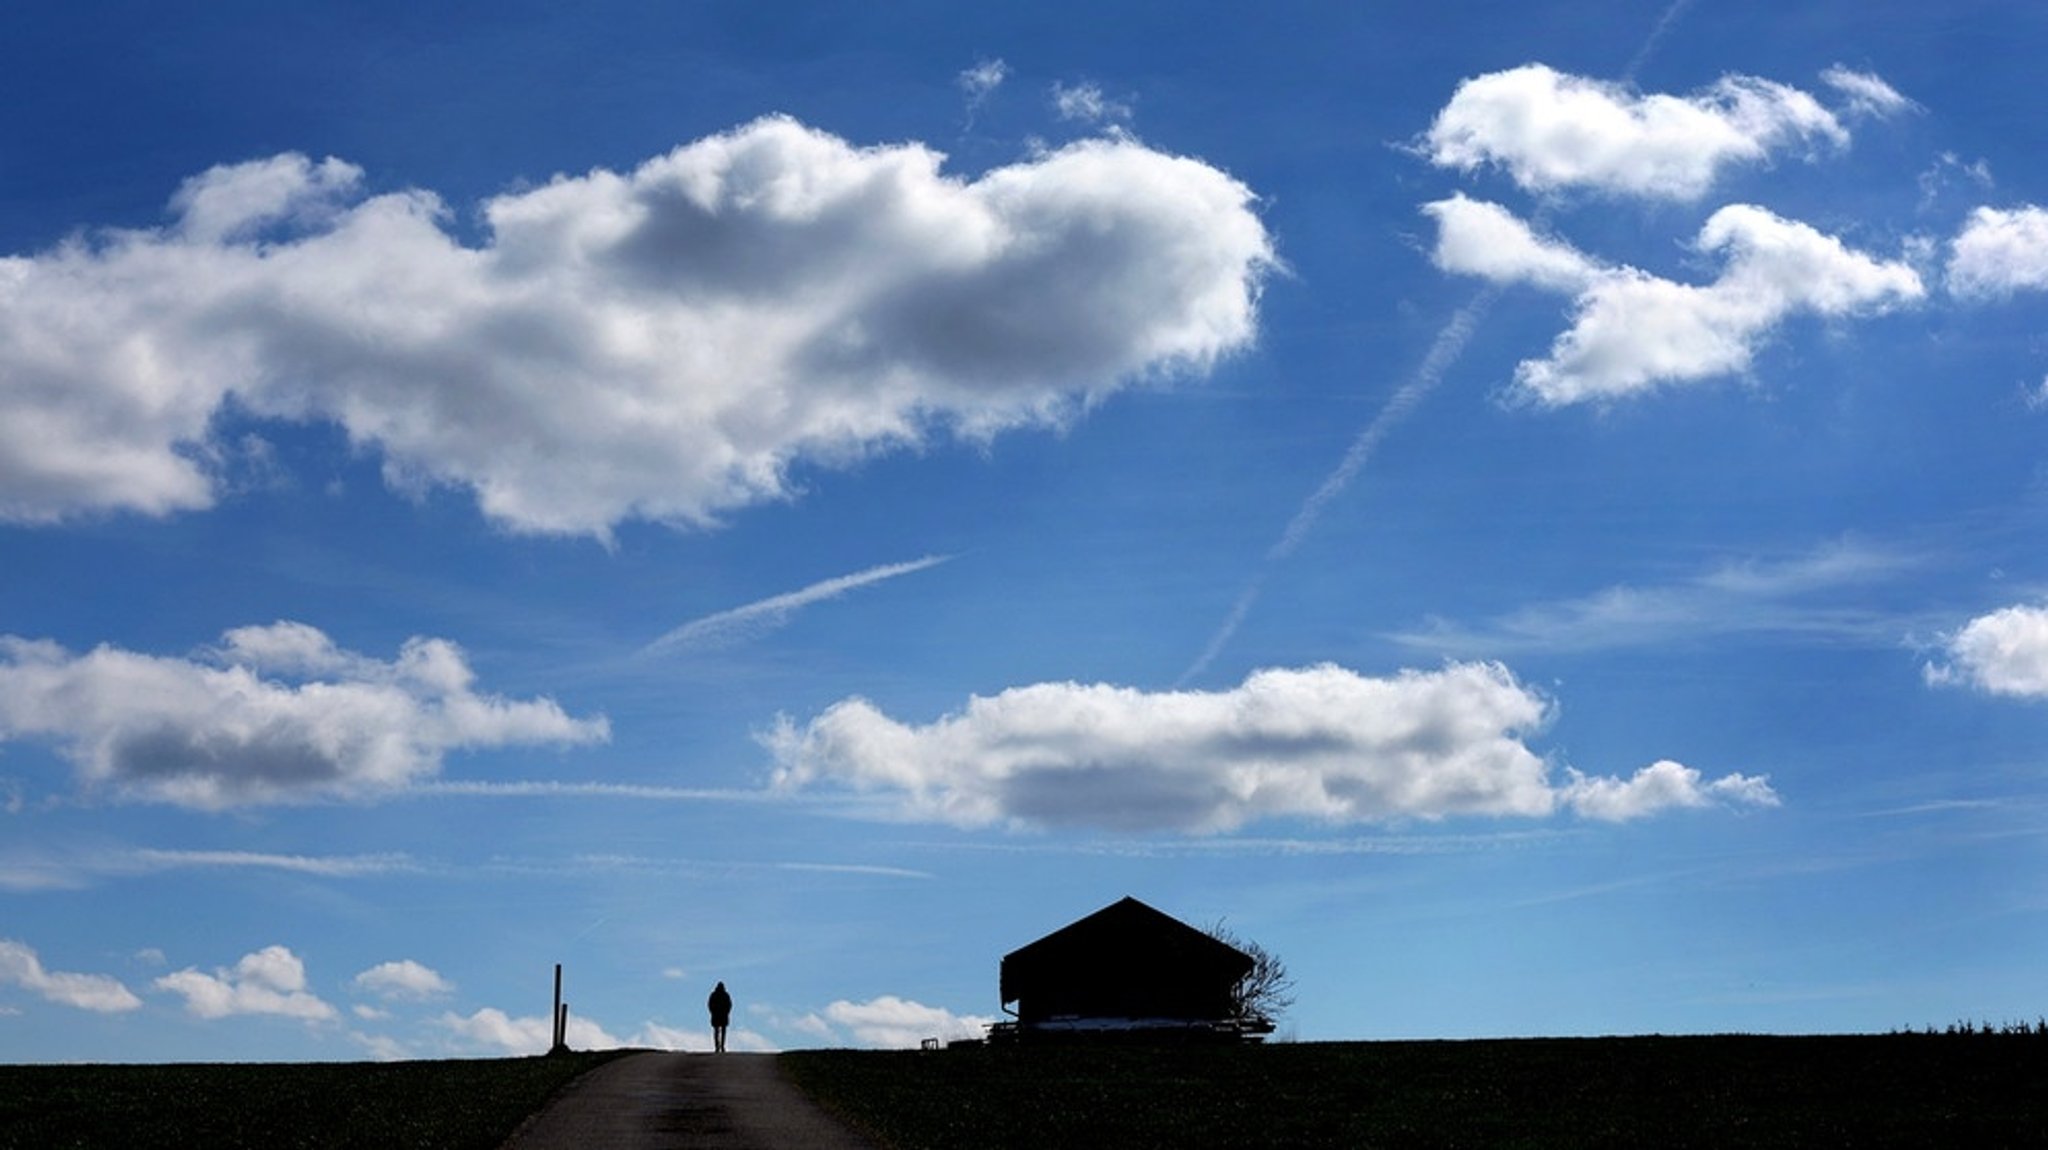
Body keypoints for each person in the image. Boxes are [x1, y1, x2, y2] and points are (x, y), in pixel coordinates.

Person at [707, 981, 732, 1053]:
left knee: (717, 1031)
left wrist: (713, 1012)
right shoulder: (725, 995)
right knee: (720, 1031)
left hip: (718, 1015)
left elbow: (710, 1004)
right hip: (720, 1015)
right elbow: (729, 1005)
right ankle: (720, 1046)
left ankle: (719, 1046)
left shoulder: (715, 995)